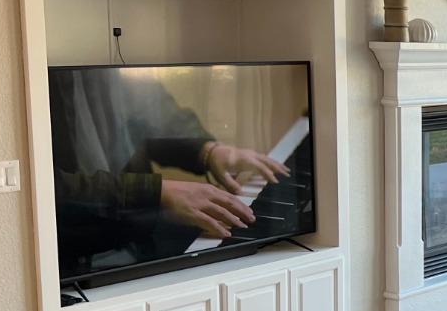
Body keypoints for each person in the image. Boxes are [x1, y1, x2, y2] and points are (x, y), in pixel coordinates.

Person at [51, 69, 290, 272]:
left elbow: (153, 112)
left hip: (139, 232)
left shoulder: (118, 68)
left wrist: (208, 150)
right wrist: (158, 193)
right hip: (74, 259)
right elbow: (51, 188)